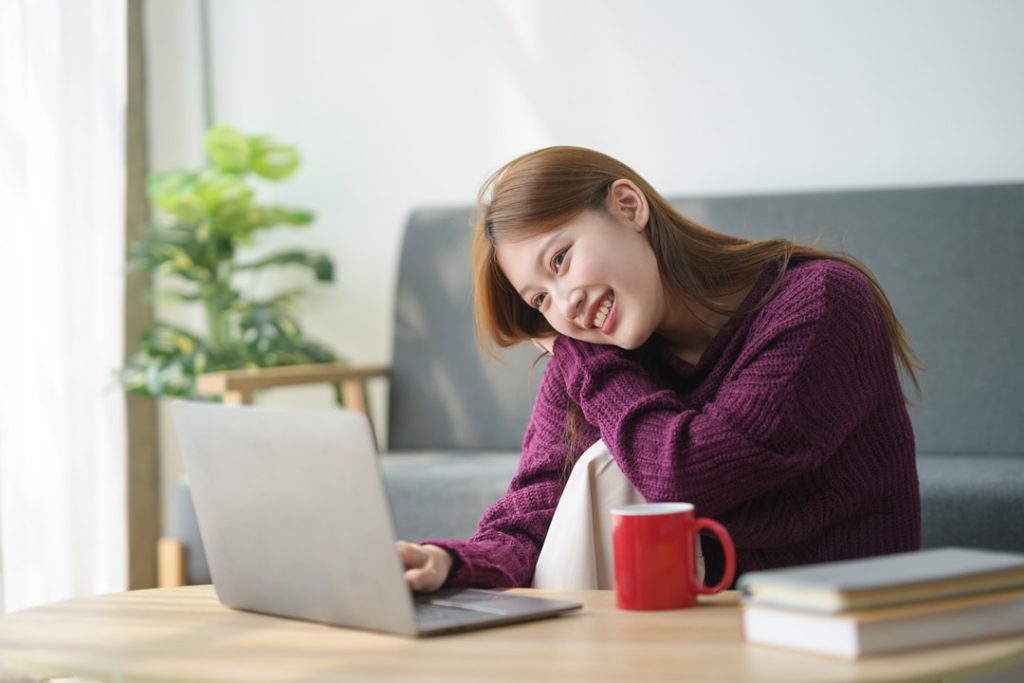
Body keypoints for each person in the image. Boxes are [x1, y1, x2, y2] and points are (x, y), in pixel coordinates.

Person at [396, 146, 922, 593]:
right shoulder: (593, 362)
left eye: (560, 261)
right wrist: (449, 564)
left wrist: (582, 356)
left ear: (628, 206)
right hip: (681, 627)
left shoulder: (820, 302)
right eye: (540, 300)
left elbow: (688, 475)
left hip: (833, 619)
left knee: (607, 467)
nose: (564, 306)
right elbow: (532, 519)